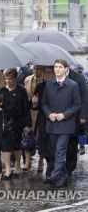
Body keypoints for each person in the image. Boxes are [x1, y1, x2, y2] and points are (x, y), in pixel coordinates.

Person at [42, 59, 81, 187]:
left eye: (60, 67)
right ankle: (63, 177)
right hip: (52, 124)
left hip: (66, 125)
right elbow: (44, 103)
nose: (57, 69)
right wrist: (49, 114)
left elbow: (77, 105)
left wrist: (64, 115)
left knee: (60, 151)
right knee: (55, 151)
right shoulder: (49, 84)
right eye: (56, 67)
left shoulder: (73, 85)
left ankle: (54, 175)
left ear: (66, 69)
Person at [2, 68, 32, 180]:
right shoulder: (2, 90)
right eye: (6, 78)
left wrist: (28, 124)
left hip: (18, 122)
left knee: (16, 145)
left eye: (10, 79)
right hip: (4, 122)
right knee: (5, 145)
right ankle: (8, 169)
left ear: (15, 78)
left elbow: (26, 108)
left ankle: (17, 165)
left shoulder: (21, 90)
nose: (8, 81)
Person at [31, 66, 56, 183]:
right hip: (43, 120)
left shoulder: (59, 86)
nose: (47, 75)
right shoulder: (40, 86)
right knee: (44, 147)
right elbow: (34, 106)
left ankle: (51, 171)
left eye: (49, 73)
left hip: (56, 120)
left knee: (53, 146)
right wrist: (34, 103)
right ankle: (51, 167)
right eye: (45, 73)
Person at [65, 65, 88, 175]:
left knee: (72, 143)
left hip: (74, 116)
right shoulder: (53, 77)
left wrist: (83, 115)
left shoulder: (78, 78)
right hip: (58, 116)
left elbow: (84, 97)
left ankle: (69, 167)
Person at [24, 65, 44, 171]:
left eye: (39, 68)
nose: (36, 71)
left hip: (40, 111)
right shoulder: (28, 79)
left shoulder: (46, 81)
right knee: (27, 134)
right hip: (30, 110)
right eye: (34, 68)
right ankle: (28, 160)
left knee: (40, 136)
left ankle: (41, 160)